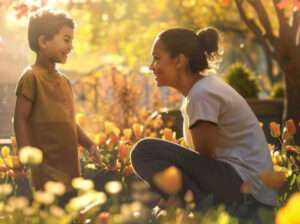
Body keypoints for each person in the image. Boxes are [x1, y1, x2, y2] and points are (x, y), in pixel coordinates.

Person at [130, 27, 277, 215]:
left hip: (246, 190)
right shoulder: (200, 91)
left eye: (157, 58)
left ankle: (199, 212)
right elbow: (198, 166)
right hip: (242, 186)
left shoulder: (202, 93)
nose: (152, 66)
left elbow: (205, 158)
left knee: (144, 151)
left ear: (180, 61)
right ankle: (184, 209)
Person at [13, 9, 101, 197]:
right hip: (45, 169)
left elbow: (70, 122)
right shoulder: (31, 77)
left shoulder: (65, 82)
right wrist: (26, 156)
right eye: (66, 39)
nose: (71, 46)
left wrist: (89, 144)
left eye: (72, 41)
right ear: (43, 41)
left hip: (69, 169)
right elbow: (19, 119)